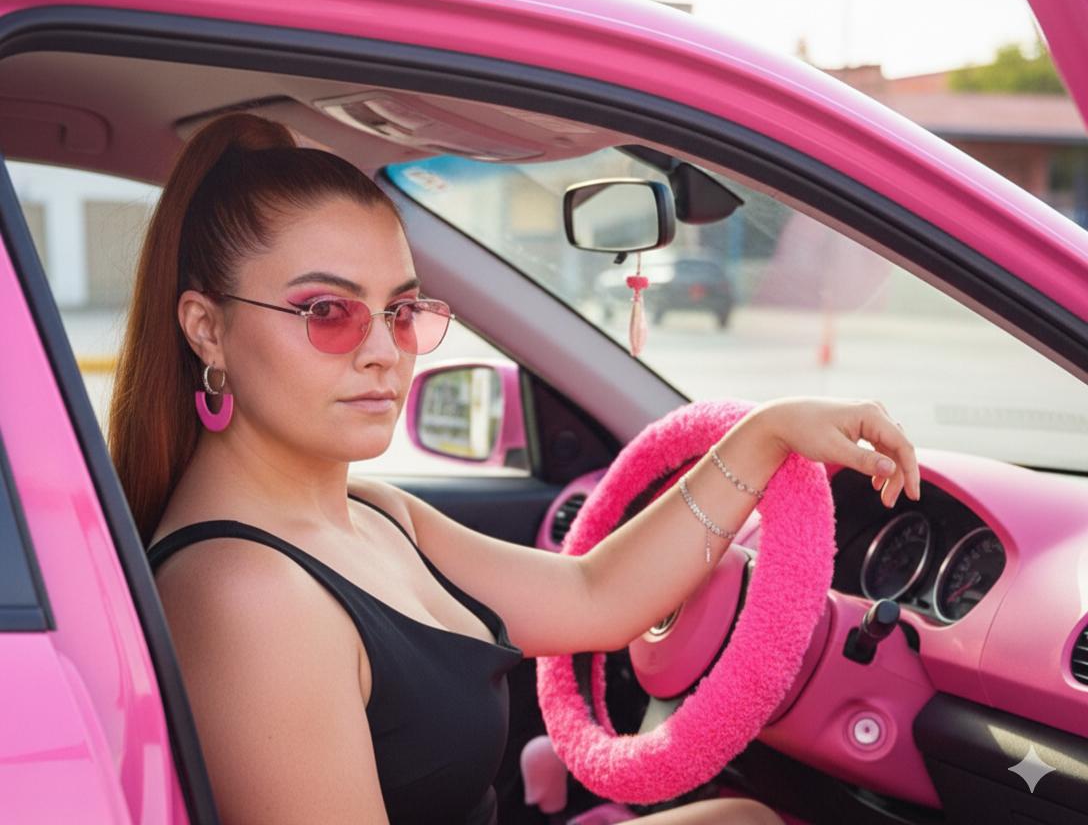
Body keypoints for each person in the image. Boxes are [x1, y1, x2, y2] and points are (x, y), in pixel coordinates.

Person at [108, 113, 920, 825]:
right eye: (327, 311)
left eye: (401, 310)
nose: (385, 351)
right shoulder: (247, 595)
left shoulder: (377, 514)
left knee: (744, 818)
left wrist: (767, 433)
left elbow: (595, 596)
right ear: (206, 329)